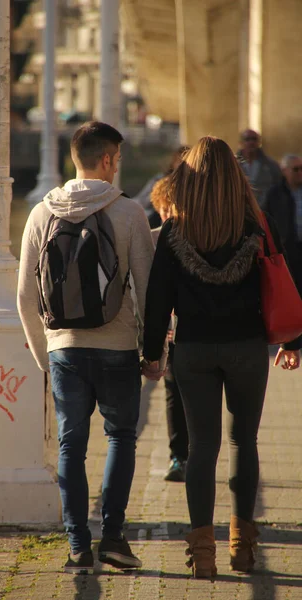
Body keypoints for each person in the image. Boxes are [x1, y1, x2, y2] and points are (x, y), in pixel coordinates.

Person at [141, 137, 301, 579]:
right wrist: (292, 342)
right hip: (247, 346)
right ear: (236, 176)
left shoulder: (174, 230)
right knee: (242, 442)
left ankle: (203, 556)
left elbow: (157, 299)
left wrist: (151, 354)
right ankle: (243, 549)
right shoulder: (259, 223)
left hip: (192, 349)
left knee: (201, 448)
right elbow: (284, 282)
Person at [17, 121, 154, 575]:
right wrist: (154, 353)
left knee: (71, 446)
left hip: (64, 350)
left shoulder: (42, 212)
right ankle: (113, 539)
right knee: (120, 437)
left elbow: (24, 296)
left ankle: (78, 545)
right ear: (110, 159)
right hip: (116, 347)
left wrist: (45, 355)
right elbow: (146, 290)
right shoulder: (130, 213)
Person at [150, 175, 189, 482]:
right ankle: (179, 455)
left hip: (193, 330)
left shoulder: (193, 236)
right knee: (173, 392)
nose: (165, 217)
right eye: (161, 211)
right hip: (171, 333)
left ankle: (192, 456)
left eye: (169, 209)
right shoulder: (153, 238)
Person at [263, 154, 302, 294]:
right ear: (284, 171)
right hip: (287, 249)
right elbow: (266, 219)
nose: (300, 173)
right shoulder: (275, 194)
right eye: (296, 169)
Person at [133, 146, 190, 228]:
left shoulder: (192, 187)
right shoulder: (159, 180)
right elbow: (141, 201)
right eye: (179, 161)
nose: (182, 165)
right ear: (174, 162)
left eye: (186, 162)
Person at [236, 129, 282, 207]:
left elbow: (279, 189)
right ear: (241, 143)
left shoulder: (270, 165)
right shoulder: (234, 165)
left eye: (254, 139)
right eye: (247, 139)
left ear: (259, 142)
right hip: (240, 209)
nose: (251, 142)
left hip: (265, 211)